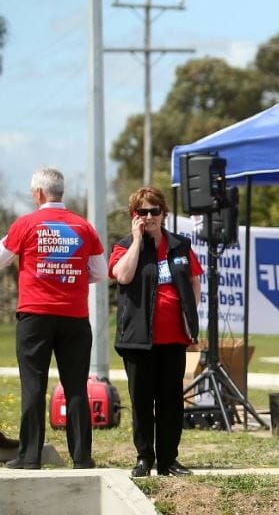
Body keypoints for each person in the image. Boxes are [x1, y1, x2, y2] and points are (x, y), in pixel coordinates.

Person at [0, 167, 106, 470]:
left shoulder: (26, 224)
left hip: (35, 316)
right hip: (74, 317)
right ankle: (82, 457)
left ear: (38, 194)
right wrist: (69, 274)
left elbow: (1, 257)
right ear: (61, 192)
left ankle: (29, 456)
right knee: (75, 387)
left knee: (33, 385)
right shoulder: (83, 227)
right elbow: (100, 272)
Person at [109, 187, 202, 477]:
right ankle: (144, 458)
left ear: (163, 213)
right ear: (133, 215)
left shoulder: (180, 246)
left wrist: (189, 313)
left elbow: (194, 280)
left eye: (154, 211)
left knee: (170, 402)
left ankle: (168, 460)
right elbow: (122, 275)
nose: (148, 217)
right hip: (138, 340)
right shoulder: (124, 245)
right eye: (142, 212)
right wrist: (138, 240)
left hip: (173, 338)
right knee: (141, 401)